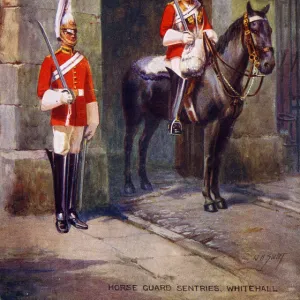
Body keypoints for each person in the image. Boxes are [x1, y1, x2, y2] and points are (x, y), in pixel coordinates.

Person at [37, 0, 99, 233]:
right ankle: (60, 213)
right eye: (67, 31)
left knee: (74, 161)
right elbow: (42, 96)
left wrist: (93, 120)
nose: (72, 35)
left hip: (79, 119)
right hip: (61, 120)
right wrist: (61, 97)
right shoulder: (49, 62)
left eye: (74, 31)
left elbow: (90, 93)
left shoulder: (83, 62)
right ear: (60, 34)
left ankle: (72, 210)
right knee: (61, 161)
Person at [160, 0, 218, 135]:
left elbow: (206, 27)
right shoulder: (172, 8)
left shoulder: (198, 6)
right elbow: (164, 32)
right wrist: (181, 37)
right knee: (180, 76)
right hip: (179, 51)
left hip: (199, 49)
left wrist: (209, 34)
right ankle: (174, 119)